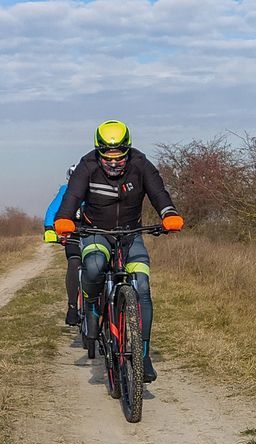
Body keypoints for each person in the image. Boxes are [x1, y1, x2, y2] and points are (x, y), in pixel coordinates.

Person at [54, 120, 184, 383]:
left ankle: (142, 355)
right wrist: (65, 219)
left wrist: (168, 213)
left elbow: (159, 193)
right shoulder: (87, 166)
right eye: (107, 155)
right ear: (99, 151)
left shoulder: (141, 164)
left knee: (143, 286)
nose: (114, 162)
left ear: (127, 149)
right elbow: (72, 196)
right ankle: (91, 308)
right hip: (95, 231)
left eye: (119, 155)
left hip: (130, 233)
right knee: (93, 266)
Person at [43, 165, 83, 326]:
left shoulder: (95, 190)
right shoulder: (66, 191)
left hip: (95, 232)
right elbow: (52, 210)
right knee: (74, 262)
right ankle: (72, 306)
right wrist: (49, 229)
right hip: (73, 233)